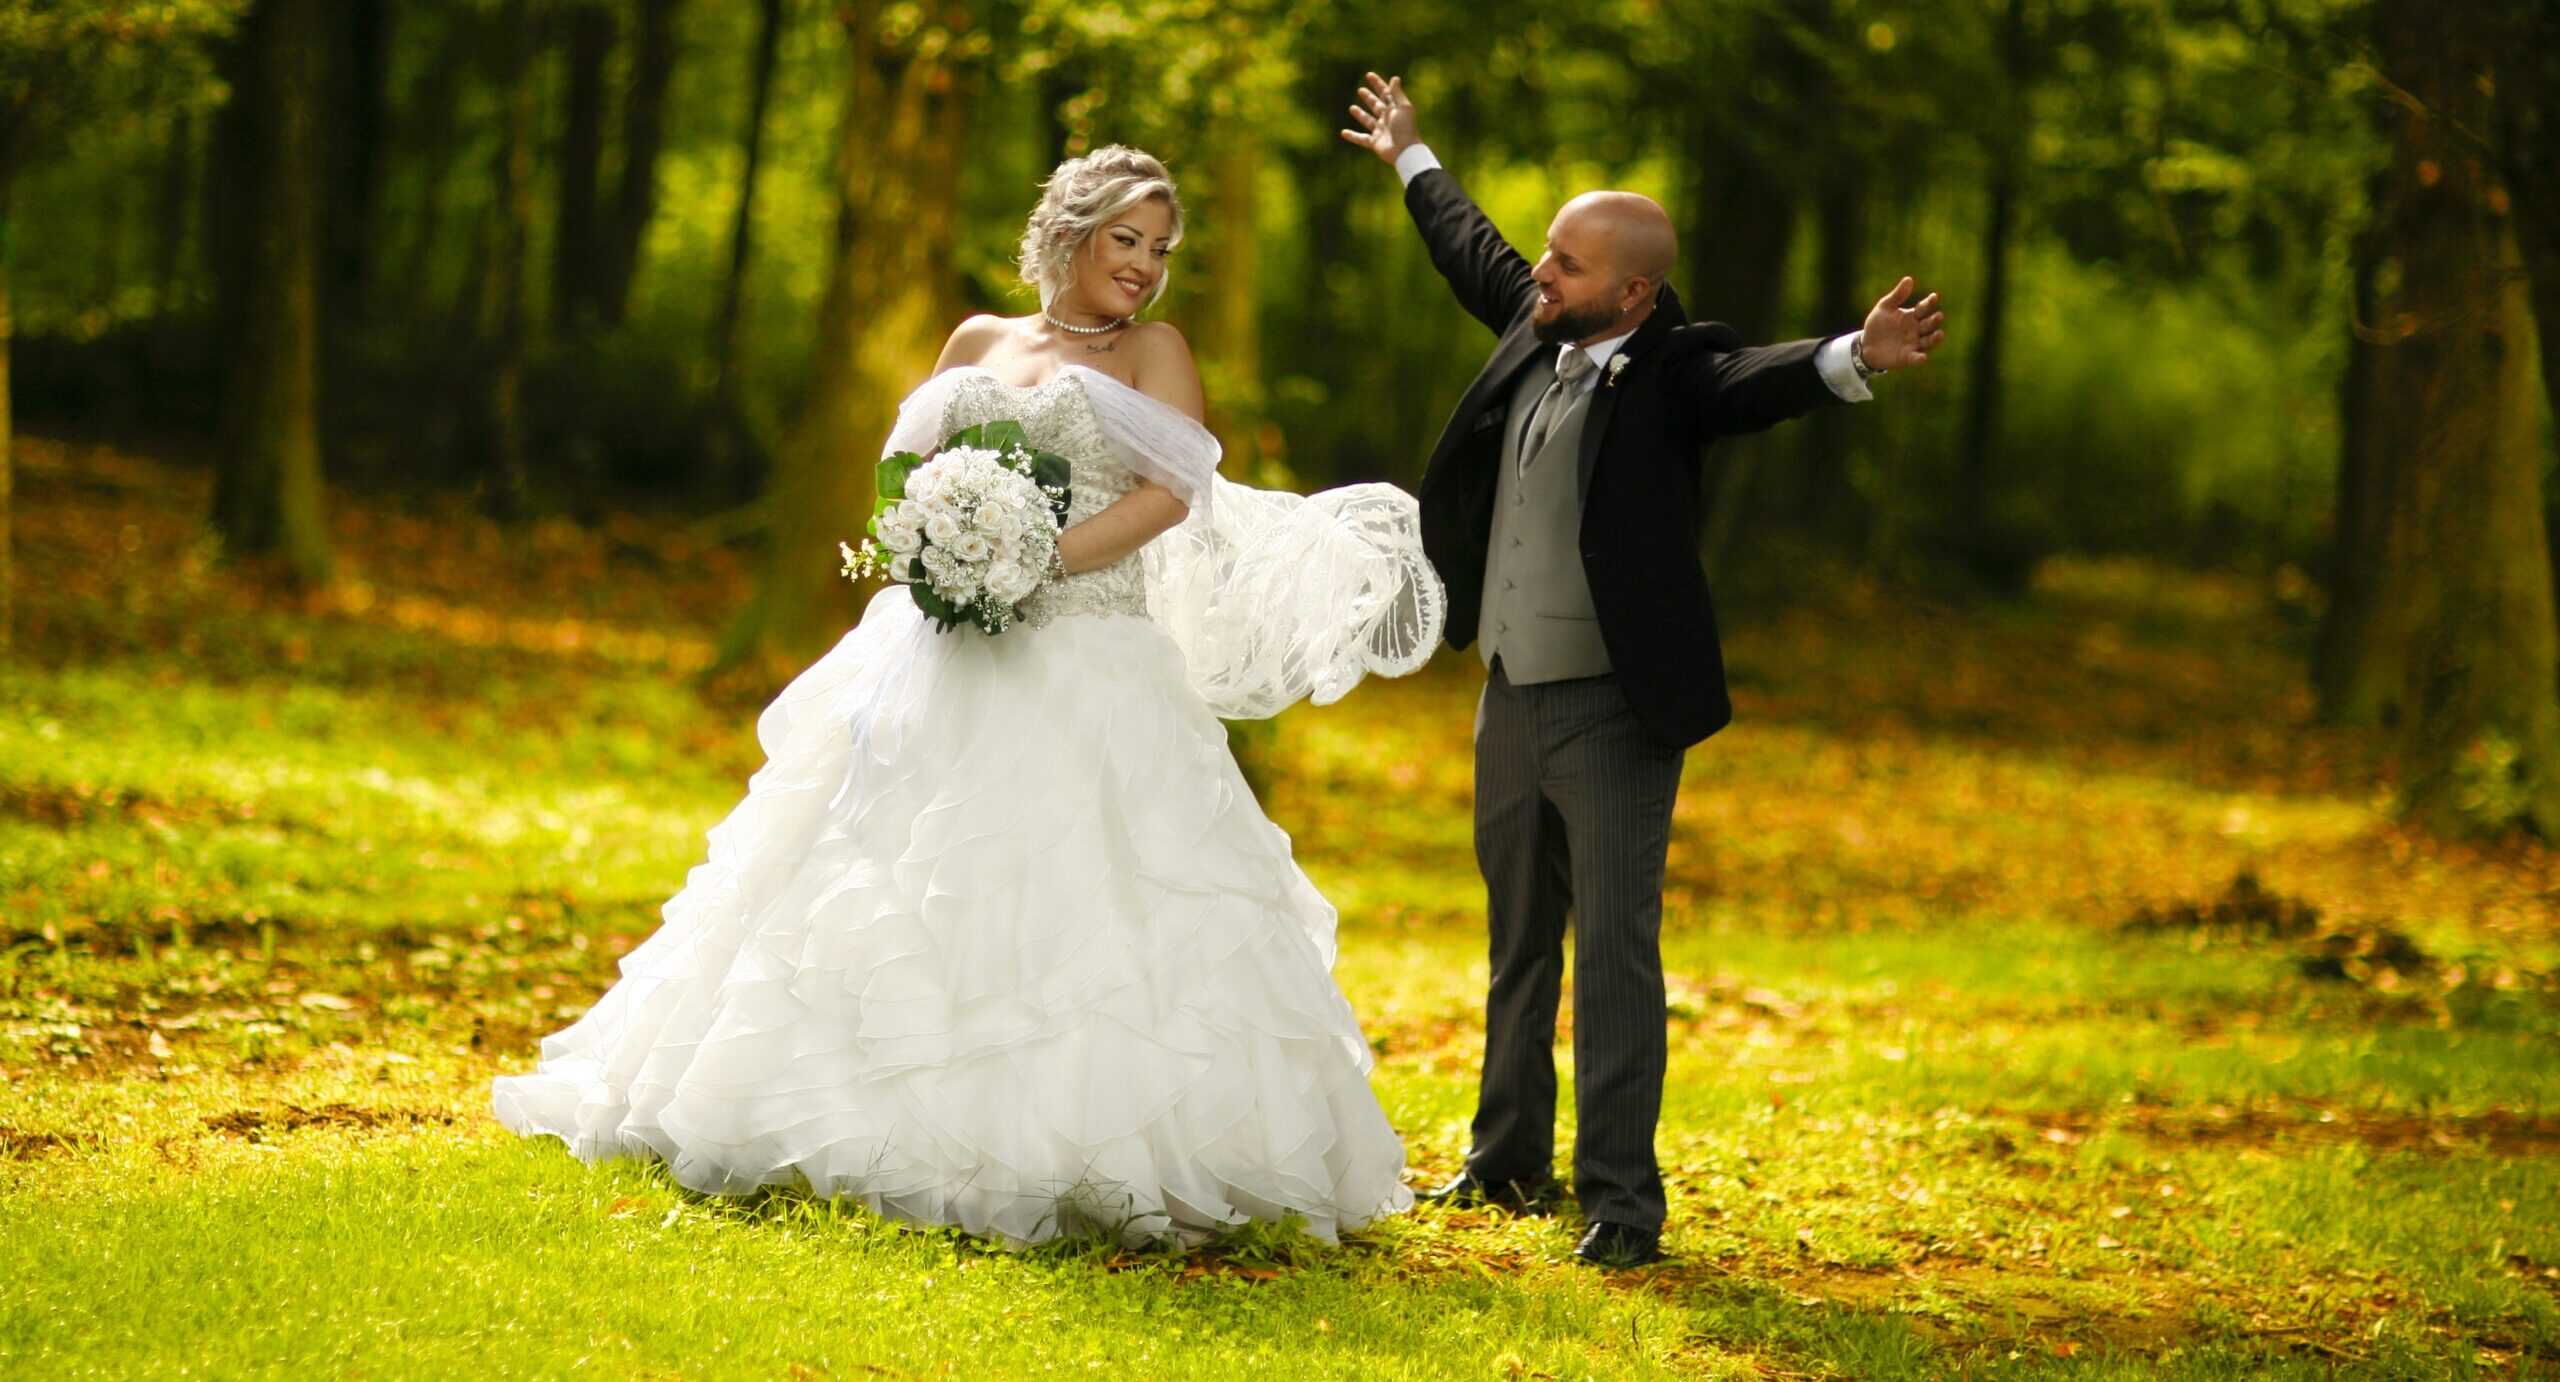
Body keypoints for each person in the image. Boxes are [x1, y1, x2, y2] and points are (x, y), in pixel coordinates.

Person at [493, 146, 1443, 1249]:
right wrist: (939, 546)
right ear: (1069, 231)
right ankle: (843, 1115)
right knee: (883, 877)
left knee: (1083, 889)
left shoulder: (1156, 353)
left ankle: (1070, 1145)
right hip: (939, 650)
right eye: (1125, 240)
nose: (1144, 267)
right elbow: (912, 473)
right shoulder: (976, 341)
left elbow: (1170, 495)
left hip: (1091, 656)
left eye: (1161, 250)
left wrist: (1042, 554)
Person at [1342, 73, 1948, 1269]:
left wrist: (1850, 356)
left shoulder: (1673, 367)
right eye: (1547, 258)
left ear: (1634, 289)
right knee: (1519, 938)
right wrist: (1411, 157)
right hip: (1510, 692)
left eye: (1565, 266)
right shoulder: (1535, 325)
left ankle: (1621, 1200)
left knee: (1613, 952)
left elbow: (1752, 384)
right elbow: (1474, 252)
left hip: (1615, 709)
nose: (1539, 276)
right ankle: (1504, 1160)